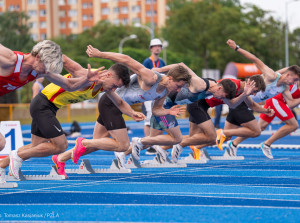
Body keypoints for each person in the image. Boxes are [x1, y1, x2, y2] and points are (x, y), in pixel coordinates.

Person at [51, 45, 191, 177]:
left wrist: (168, 112)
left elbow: (156, 110)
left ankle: (61, 158)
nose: (178, 90)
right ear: (171, 78)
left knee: (98, 143)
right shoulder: (150, 77)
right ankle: (84, 142)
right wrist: (100, 54)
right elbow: (126, 59)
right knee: (123, 145)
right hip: (111, 103)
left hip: (116, 106)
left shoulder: (165, 91)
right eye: (179, 86)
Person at [4, 58, 145, 180]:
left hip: (50, 107)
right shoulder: (87, 75)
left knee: (36, 146)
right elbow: (64, 59)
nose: (114, 89)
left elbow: (119, 102)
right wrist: (40, 62)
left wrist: (132, 113)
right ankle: (18, 155)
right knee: (61, 146)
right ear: (108, 75)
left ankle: (2, 165)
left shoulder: (104, 86)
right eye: (114, 85)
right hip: (43, 104)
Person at [0, 40, 100, 183]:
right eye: (45, 68)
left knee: (1, 144)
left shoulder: (39, 69)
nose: (44, 72)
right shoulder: (10, 59)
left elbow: (69, 85)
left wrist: (86, 80)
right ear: (38, 56)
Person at [128, 62, 253, 163]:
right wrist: (160, 70)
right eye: (222, 96)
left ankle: (123, 154)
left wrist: (245, 93)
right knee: (174, 139)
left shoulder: (216, 90)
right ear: (219, 88)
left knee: (153, 139)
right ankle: (140, 143)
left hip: (165, 106)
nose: (220, 99)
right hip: (163, 107)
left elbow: (231, 103)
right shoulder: (200, 84)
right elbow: (182, 65)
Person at [216, 39, 300, 158]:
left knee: (229, 136)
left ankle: (197, 146)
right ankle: (214, 137)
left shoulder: (284, 88)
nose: (295, 83)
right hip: (241, 101)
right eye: (295, 80)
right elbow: (255, 59)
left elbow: (290, 104)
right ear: (288, 75)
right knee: (255, 131)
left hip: (247, 104)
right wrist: (236, 48)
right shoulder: (271, 75)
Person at [169, 74, 269, 163]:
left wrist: (265, 111)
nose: (255, 94)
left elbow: (251, 105)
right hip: (198, 104)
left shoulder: (241, 90)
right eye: (255, 91)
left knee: (194, 137)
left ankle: (162, 148)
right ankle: (180, 144)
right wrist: (245, 94)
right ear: (249, 83)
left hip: (201, 105)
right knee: (211, 137)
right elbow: (232, 105)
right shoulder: (233, 85)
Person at [250, 82, 300, 159]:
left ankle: (234, 143)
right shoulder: (293, 83)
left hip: (274, 101)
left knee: (259, 128)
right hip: (276, 101)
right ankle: (267, 144)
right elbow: (291, 104)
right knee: (293, 125)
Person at [142, 38, 166, 155]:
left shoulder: (162, 62)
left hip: (158, 93)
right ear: (151, 48)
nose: (157, 48)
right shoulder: (147, 62)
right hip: (148, 93)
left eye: (159, 46)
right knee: (149, 116)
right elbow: (141, 76)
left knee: (159, 116)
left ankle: (153, 143)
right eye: (155, 46)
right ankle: (148, 144)